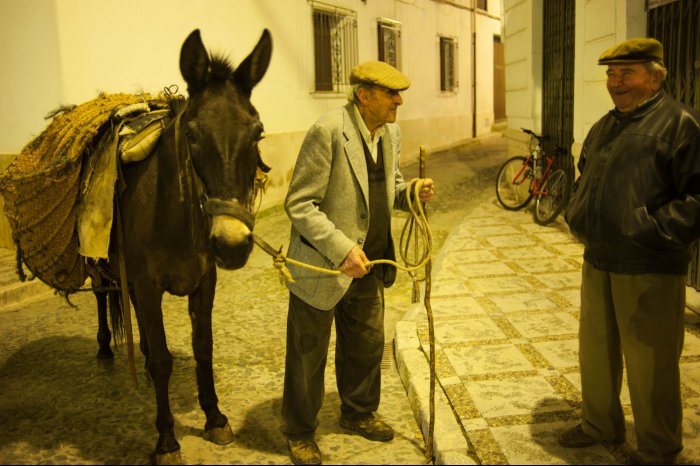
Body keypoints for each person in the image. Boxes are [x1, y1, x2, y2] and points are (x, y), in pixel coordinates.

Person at [280, 60, 434, 465]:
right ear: (364, 96)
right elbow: (299, 204)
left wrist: (411, 193)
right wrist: (342, 248)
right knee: (307, 354)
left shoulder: (391, 133)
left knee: (365, 347)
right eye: (391, 94)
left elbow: (390, 186)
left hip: (370, 264)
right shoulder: (327, 130)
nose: (399, 101)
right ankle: (298, 432)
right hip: (326, 267)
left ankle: (359, 413)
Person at [561, 37, 700, 464]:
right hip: (599, 258)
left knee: (651, 363)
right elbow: (586, 174)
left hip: (649, 263)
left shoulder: (680, 124)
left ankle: (659, 446)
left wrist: (651, 229)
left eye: (627, 73)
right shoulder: (606, 124)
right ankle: (598, 423)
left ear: (655, 77)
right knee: (595, 351)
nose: (615, 83)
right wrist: (579, 211)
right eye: (610, 74)